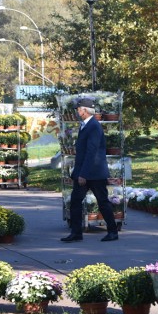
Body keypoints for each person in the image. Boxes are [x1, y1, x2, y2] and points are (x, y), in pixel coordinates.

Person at [61, 97, 119, 242]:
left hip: (93, 173)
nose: (77, 111)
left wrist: (83, 174)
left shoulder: (93, 126)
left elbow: (91, 152)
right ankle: (76, 233)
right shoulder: (85, 125)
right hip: (85, 172)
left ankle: (112, 231)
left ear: (85, 110)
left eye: (78, 109)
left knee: (102, 202)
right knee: (75, 201)